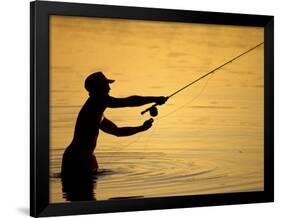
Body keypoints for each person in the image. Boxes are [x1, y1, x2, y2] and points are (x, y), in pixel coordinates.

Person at [61, 71, 167, 177]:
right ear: (97, 88)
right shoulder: (97, 102)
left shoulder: (97, 113)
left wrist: (141, 128)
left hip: (84, 157)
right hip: (77, 158)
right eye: (106, 85)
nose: (109, 88)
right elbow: (128, 102)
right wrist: (155, 99)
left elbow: (117, 131)